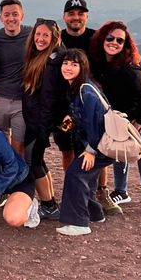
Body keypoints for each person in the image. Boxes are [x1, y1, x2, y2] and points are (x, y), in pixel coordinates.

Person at [89, 21, 141, 218]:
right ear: (102, 39)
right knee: (119, 152)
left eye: (119, 40)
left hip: (136, 117)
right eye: (110, 38)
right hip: (115, 118)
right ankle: (121, 191)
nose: (114, 43)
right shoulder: (98, 63)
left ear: (125, 44)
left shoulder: (129, 67)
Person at [57, 49, 116, 236]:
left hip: (100, 147)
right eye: (66, 63)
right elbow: (82, 118)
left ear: (83, 68)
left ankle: (79, 223)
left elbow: (95, 124)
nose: (68, 67)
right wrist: (67, 123)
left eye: (74, 64)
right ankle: (95, 214)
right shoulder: (77, 88)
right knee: (87, 178)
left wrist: (91, 150)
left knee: (75, 174)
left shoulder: (86, 91)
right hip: (99, 145)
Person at [21, 18, 66, 220]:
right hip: (37, 121)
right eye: (37, 34)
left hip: (39, 122)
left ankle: (48, 205)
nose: (40, 38)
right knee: (38, 161)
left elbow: (49, 100)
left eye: (45, 35)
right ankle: (51, 202)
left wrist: (43, 129)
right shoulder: (42, 57)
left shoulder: (52, 62)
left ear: (54, 37)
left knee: (32, 161)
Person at [0, 0, 33, 155]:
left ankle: (17, 178)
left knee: (18, 146)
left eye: (15, 14)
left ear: (22, 16)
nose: (11, 18)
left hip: (22, 101)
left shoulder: (32, 34)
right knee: (0, 144)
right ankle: (5, 177)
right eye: (6, 15)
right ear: (1, 18)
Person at [56, 0, 95, 172]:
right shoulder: (57, 40)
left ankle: (101, 190)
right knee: (67, 148)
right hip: (63, 104)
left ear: (86, 16)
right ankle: (71, 188)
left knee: (94, 147)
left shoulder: (96, 38)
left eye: (80, 14)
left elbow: (118, 53)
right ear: (64, 17)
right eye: (71, 14)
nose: (76, 17)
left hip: (88, 103)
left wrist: (139, 69)